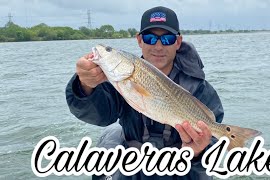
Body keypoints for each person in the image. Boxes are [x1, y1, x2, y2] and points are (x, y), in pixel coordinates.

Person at [66, 6, 224, 180]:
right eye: (150, 38)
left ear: (178, 42)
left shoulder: (201, 89)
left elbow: (213, 147)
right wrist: (85, 85)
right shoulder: (119, 80)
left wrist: (197, 153)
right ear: (139, 40)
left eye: (167, 39)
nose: (158, 46)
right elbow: (100, 116)